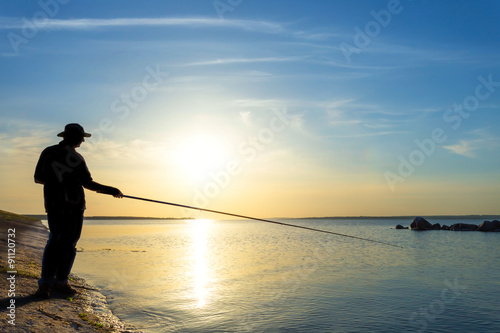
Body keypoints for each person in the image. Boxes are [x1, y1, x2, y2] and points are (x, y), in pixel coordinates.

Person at [34, 123, 123, 299]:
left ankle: (53, 283)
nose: (83, 140)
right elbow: (87, 183)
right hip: (68, 206)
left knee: (61, 242)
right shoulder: (70, 156)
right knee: (63, 243)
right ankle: (53, 283)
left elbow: (40, 178)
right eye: (81, 137)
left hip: (62, 205)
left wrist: (111, 190)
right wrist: (112, 190)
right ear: (70, 137)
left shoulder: (57, 153)